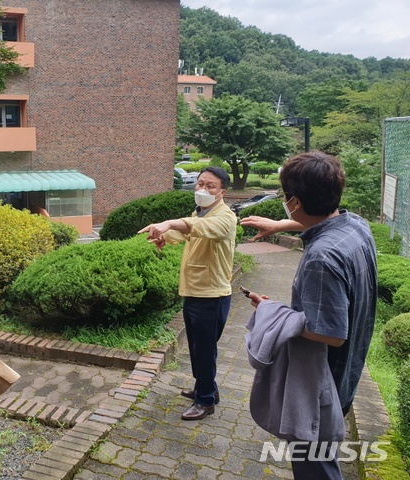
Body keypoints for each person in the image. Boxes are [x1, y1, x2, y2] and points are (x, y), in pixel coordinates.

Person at [240, 151, 377, 479]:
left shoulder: (321, 259)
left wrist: (272, 312)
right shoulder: (356, 226)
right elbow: (321, 219)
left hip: (319, 389)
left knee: (317, 470)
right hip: (346, 373)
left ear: (295, 201)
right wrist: (279, 224)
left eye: (283, 197)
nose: (284, 202)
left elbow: (330, 332)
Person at [138, 166, 237, 420]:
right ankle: (207, 389)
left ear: (222, 192)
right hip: (194, 291)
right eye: (200, 184)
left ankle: (205, 401)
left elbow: (199, 228)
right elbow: (186, 231)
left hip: (211, 295)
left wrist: (169, 222)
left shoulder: (225, 217)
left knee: (204, 349)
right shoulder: (200, 213)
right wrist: (163, 234)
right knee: (197, 347)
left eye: (210, 186)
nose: (202, 189)